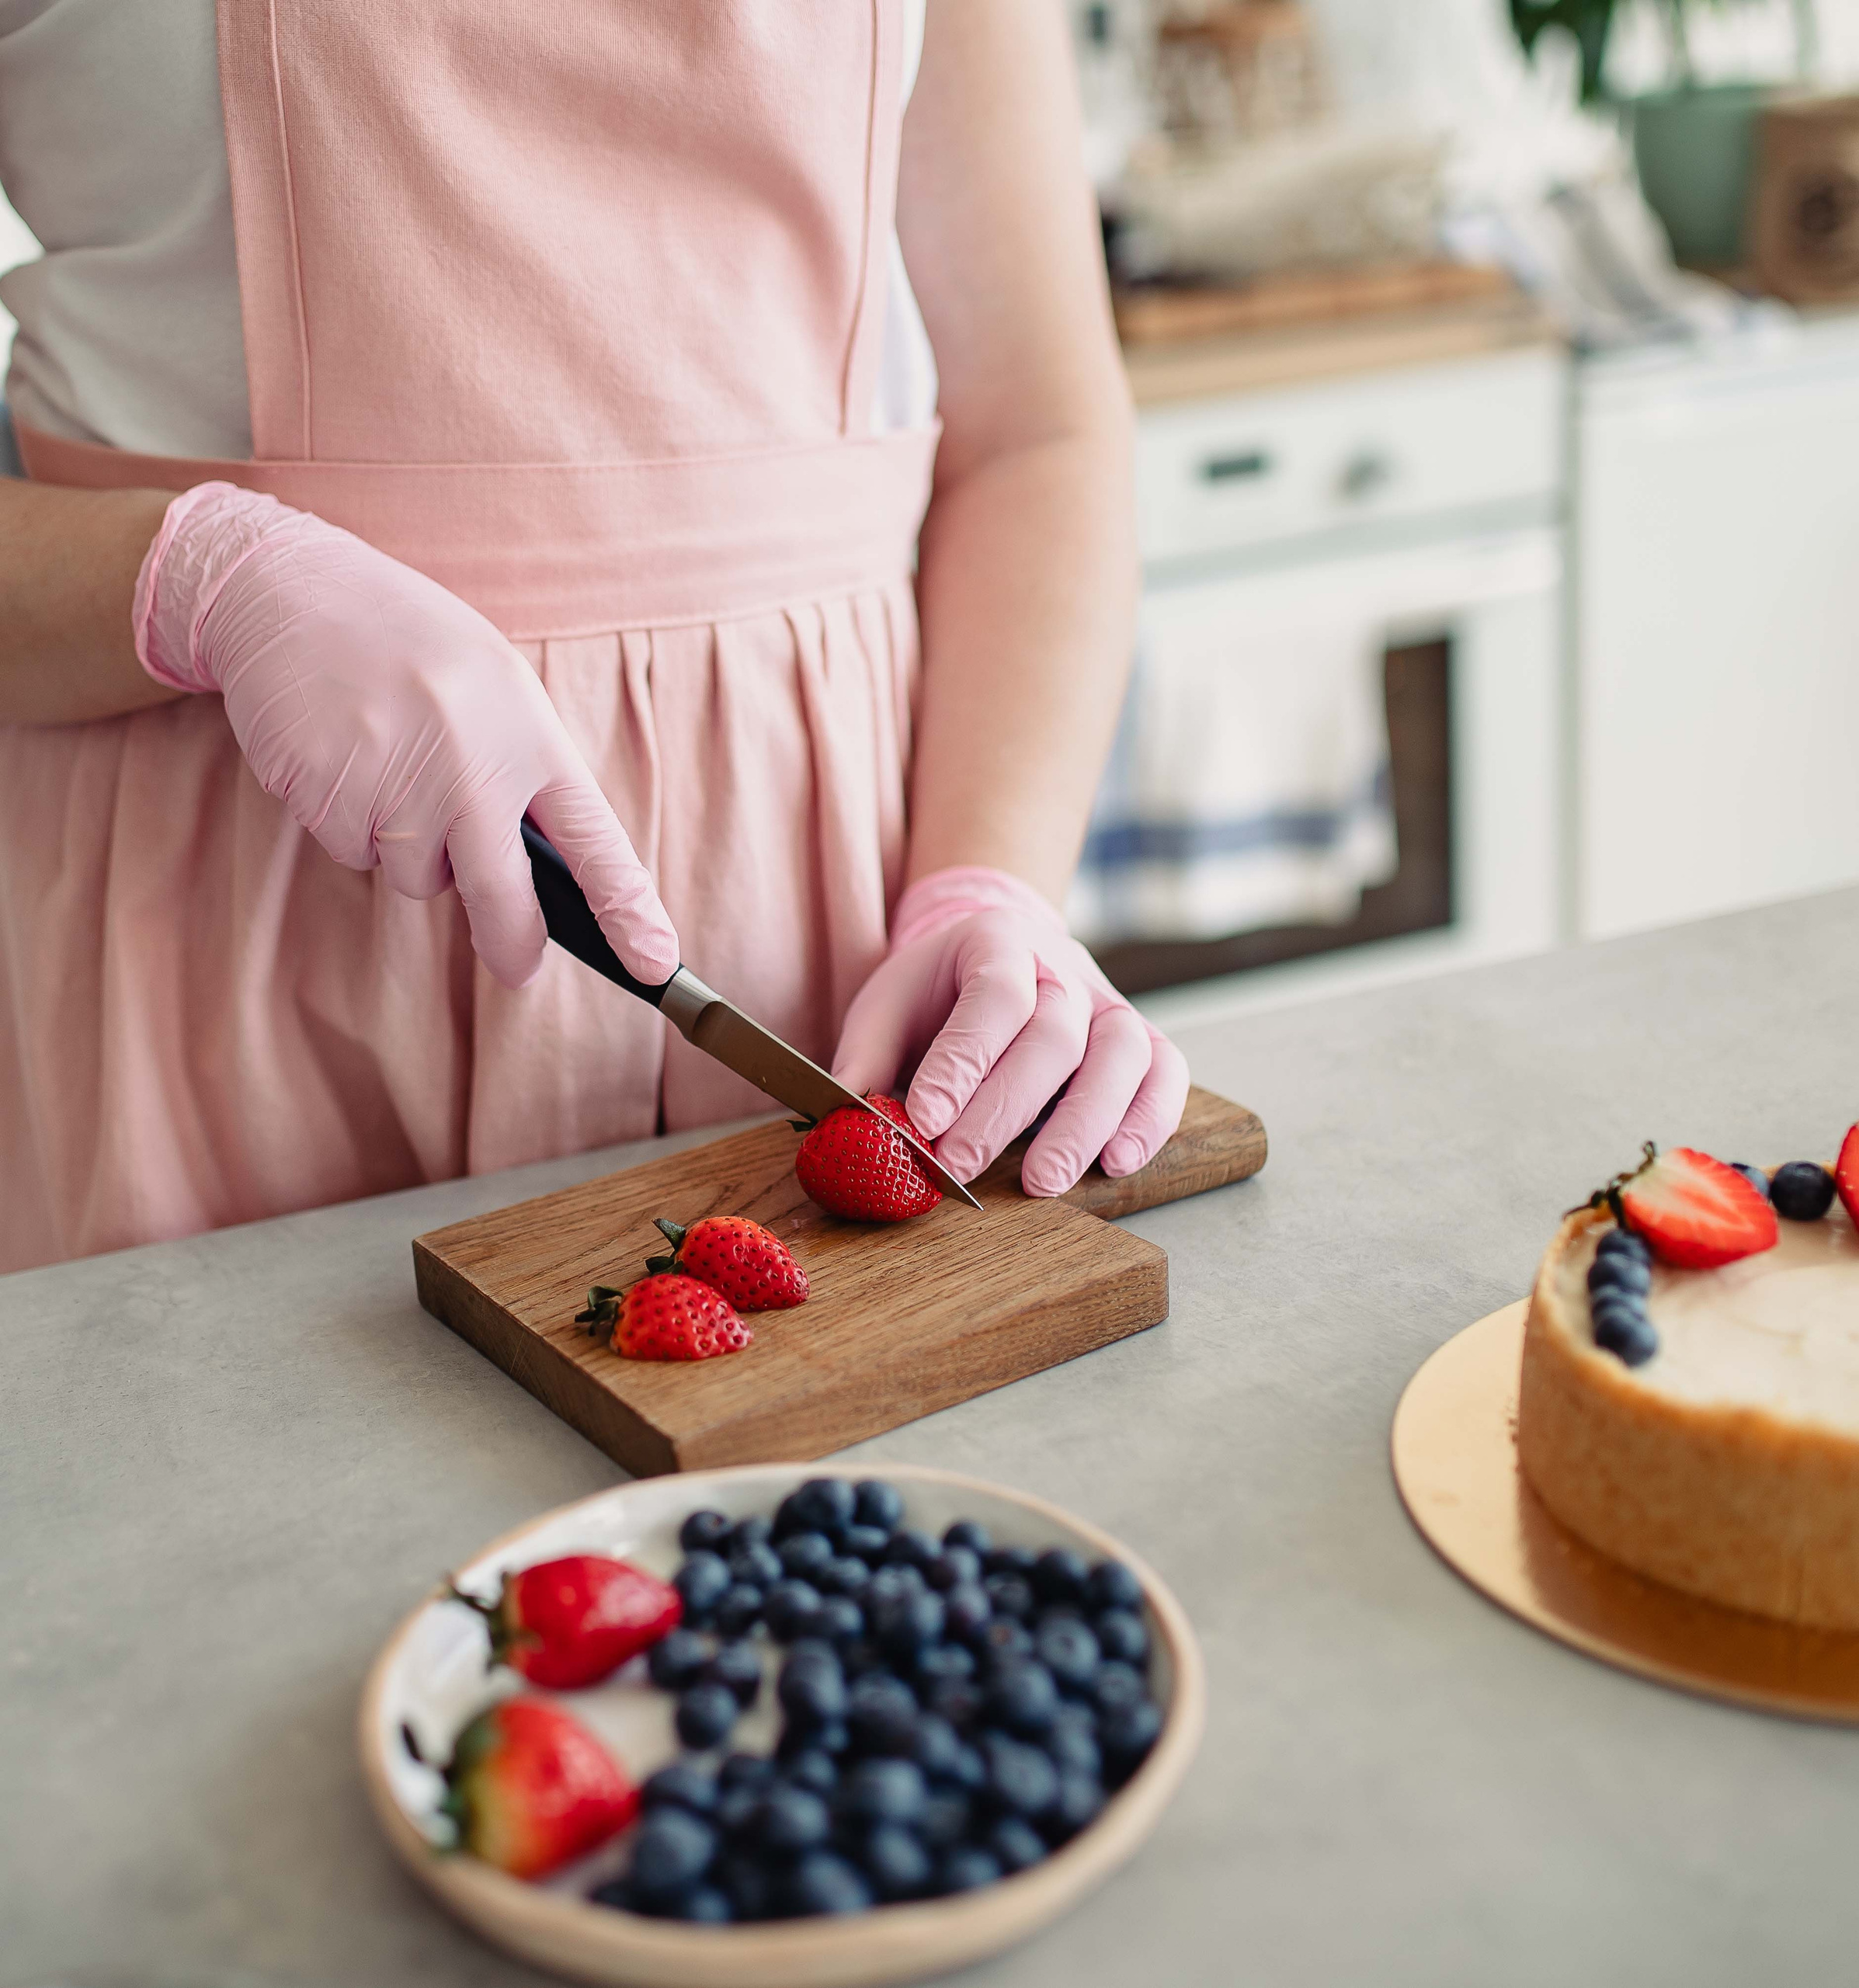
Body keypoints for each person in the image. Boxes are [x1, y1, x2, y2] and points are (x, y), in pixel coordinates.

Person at [0, 1, 1187, 1273]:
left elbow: (1036, 433)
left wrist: (989, 879)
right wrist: (202, 580)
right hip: (222, 943)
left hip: (830, 912)